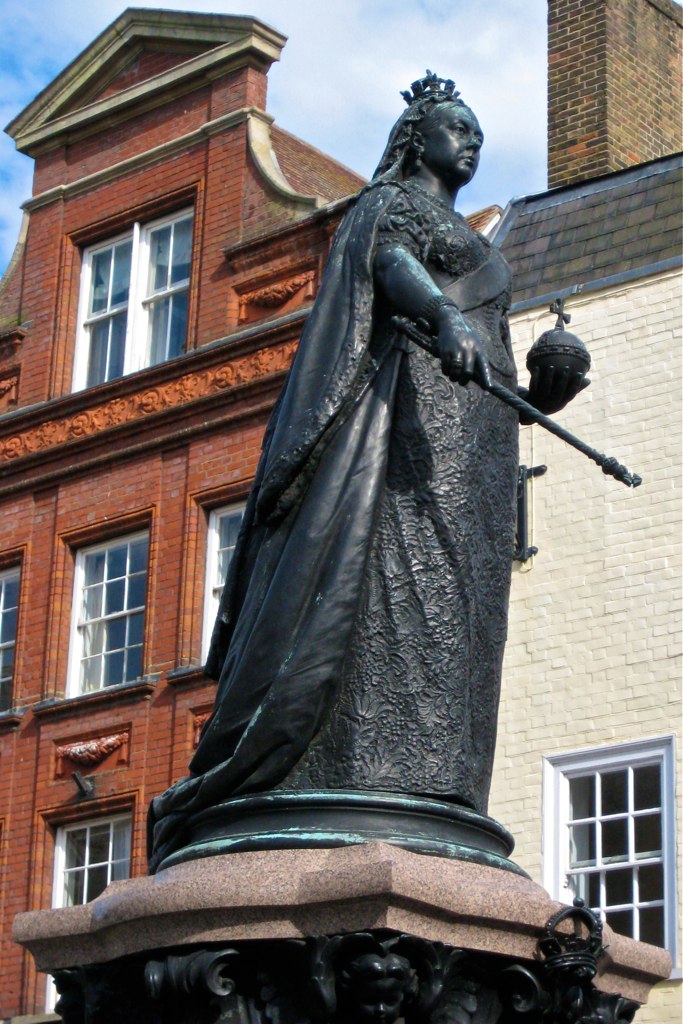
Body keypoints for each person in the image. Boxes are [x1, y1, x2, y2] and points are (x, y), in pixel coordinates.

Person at [148, 73, 585, 870]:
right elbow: (389, 265)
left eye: (479, 133)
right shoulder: (390, 204)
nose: (472, 143)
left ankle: (435, 781)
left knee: (459, 611)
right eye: (458, 128)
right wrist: (442, 314)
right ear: (418, 138)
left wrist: (541, 393)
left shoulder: (472, 240)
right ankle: (359, 769)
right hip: (401, 424)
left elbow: (490, 359)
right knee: (388, 585)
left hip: (473, 443)